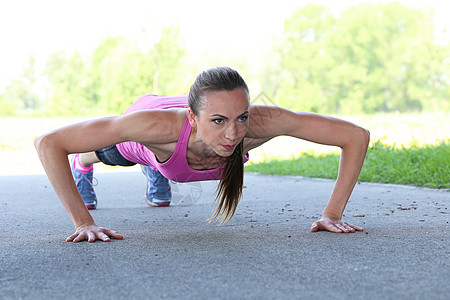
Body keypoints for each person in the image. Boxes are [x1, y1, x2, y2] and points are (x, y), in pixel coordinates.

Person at [35, 66, 370, 243]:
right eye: (220, 122)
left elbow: (355, 136)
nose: (233, 134)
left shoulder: (260, 123)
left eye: (242, 118)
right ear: (194, 118)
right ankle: (90, 165)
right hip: (151, 135)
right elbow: (49, 143)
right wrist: (84, 222)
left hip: (185, 129)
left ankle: (158, 169)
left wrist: (333, 215)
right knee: (111, 153)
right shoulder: (153, 127)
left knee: (172, 162)